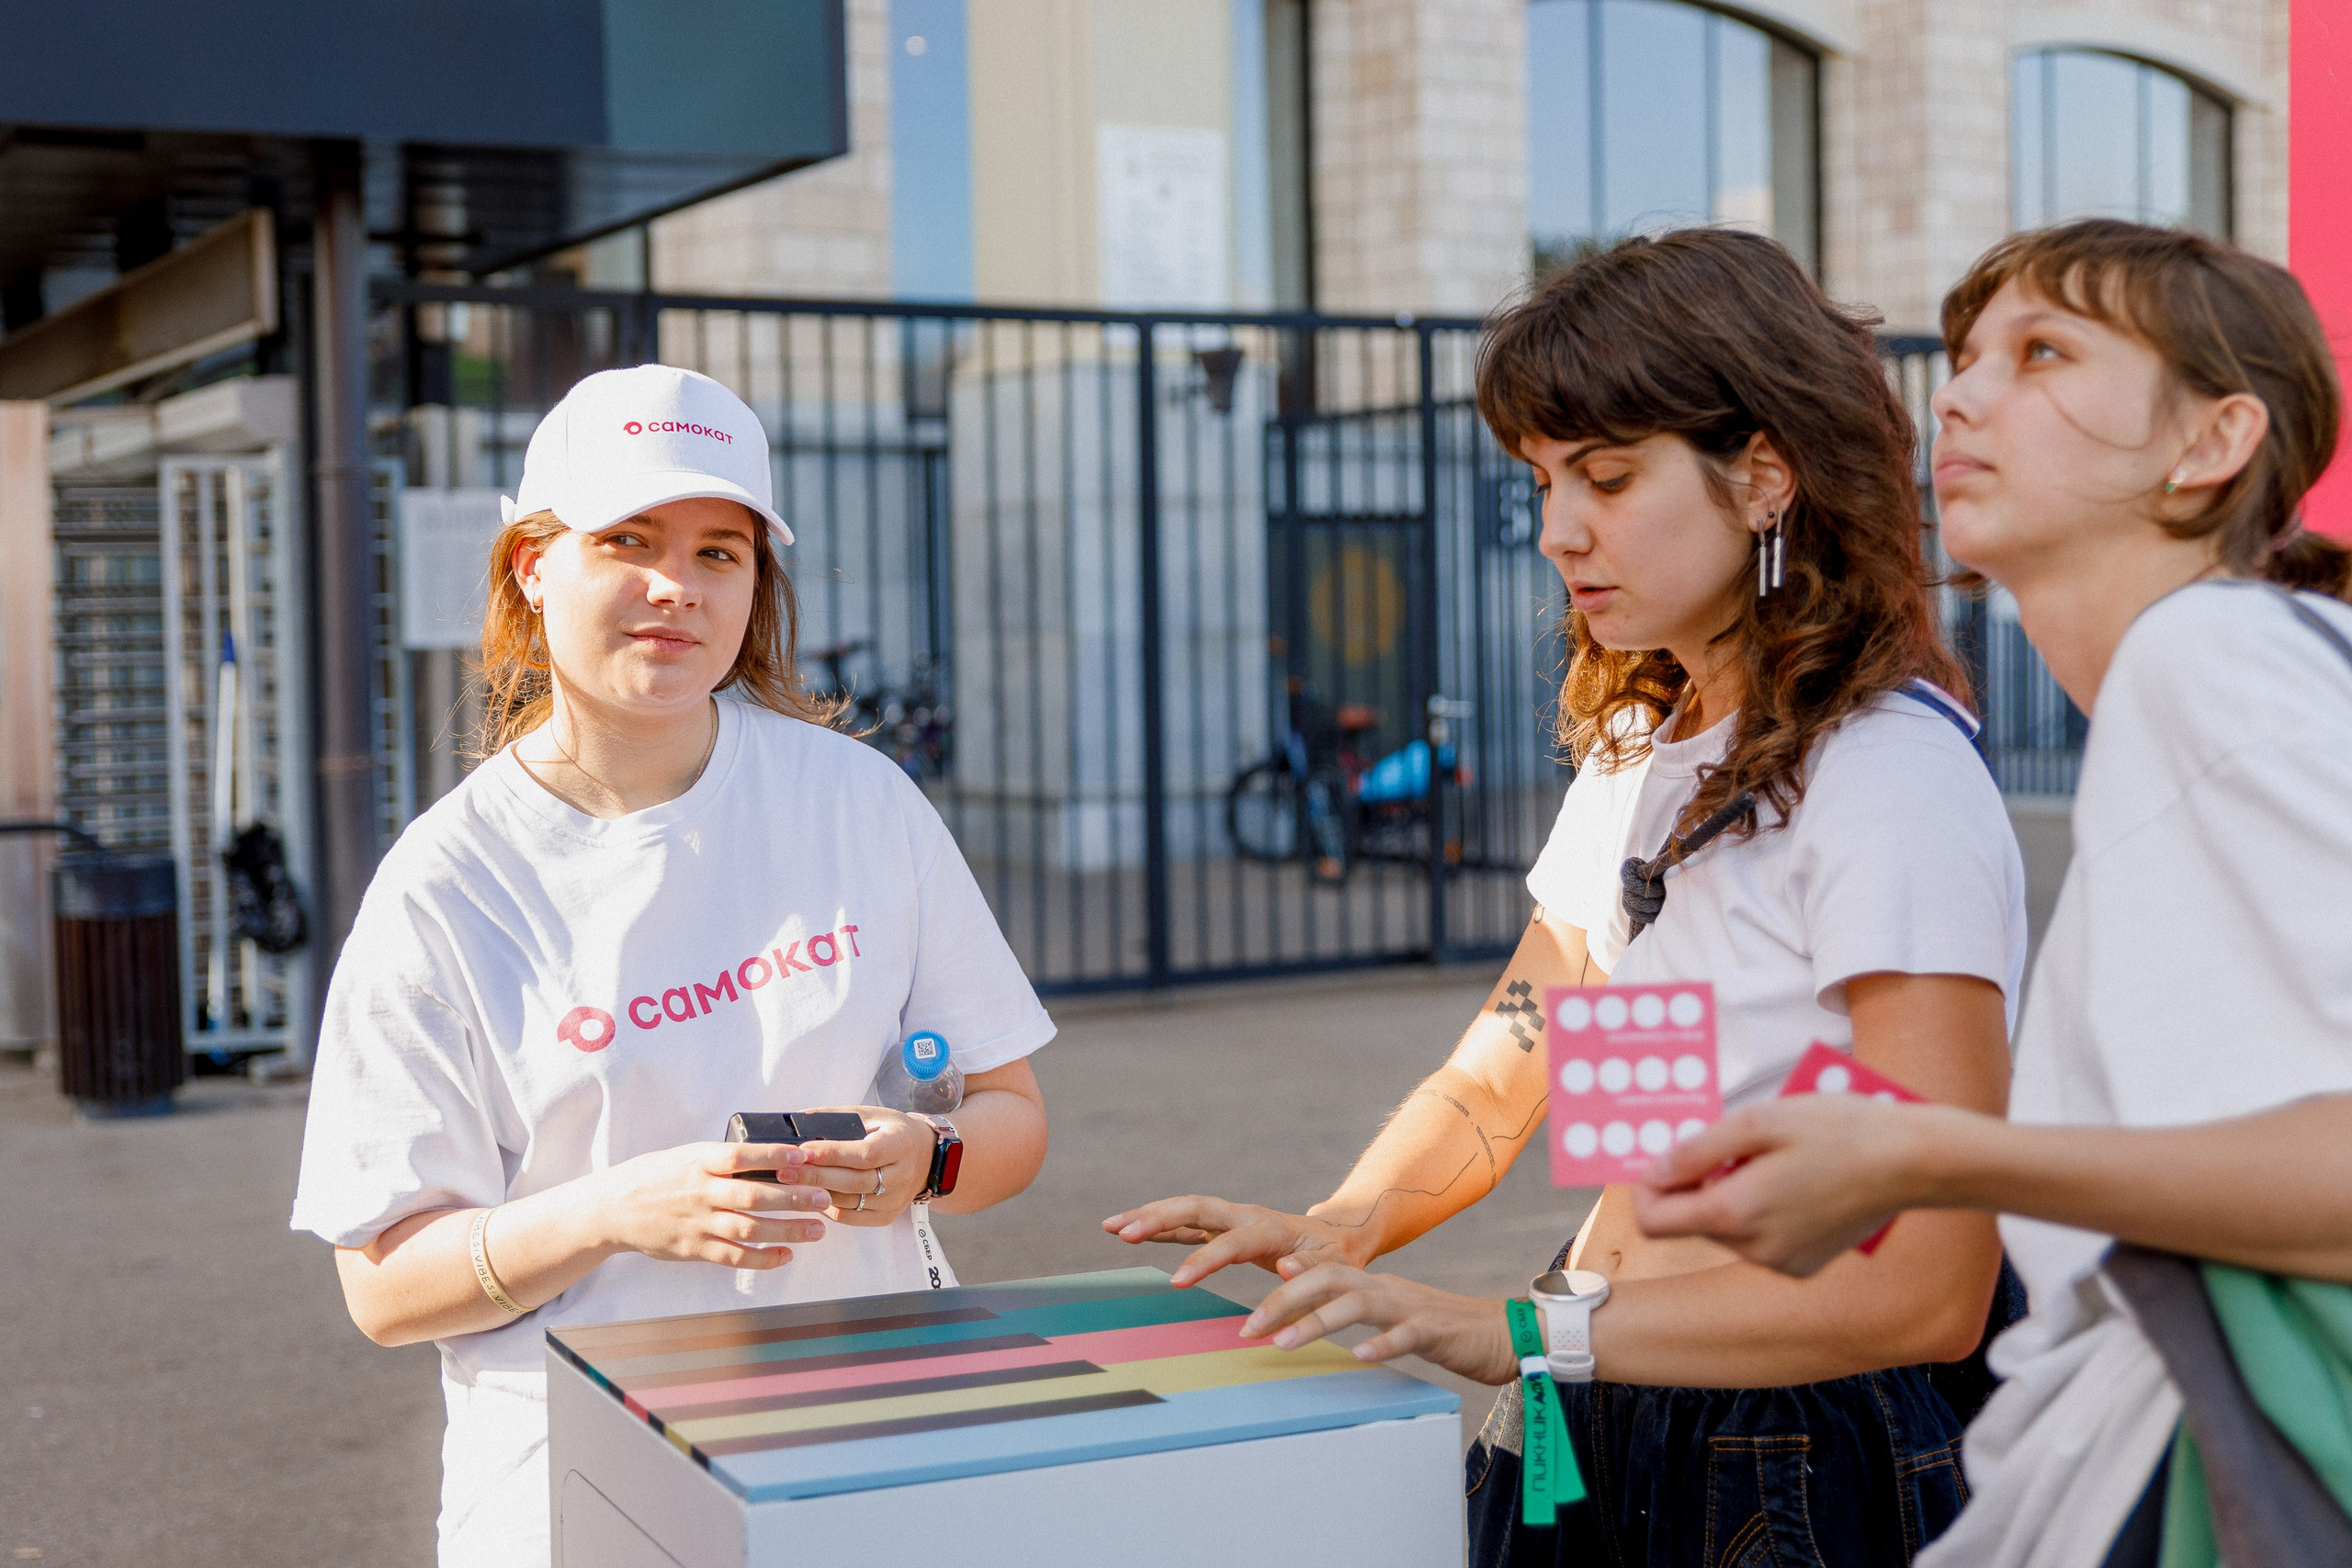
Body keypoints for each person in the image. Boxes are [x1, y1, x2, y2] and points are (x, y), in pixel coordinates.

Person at [1106, 229, 2028, 1565]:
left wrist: (1524, 1331)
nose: (1558, 532)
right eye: (1542, 480)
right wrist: (1339, 1227)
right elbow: (1510, 1068)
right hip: (1604, 1399)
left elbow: (1931, 1290)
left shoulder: (1885, 773)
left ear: (1765, 475)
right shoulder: (1644, 748)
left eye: (1607, 476)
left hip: (1788, 1456)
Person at [1634, 220, 2352, 1567]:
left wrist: (1929, 1156)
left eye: (2043, 352)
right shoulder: (2242, 662)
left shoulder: (2211, 659)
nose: (1957, 394)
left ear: (2212, 444)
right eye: (1963, 359)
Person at [289, 365, 1054, 1566]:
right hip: (585, 1492)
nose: (675, 589)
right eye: (628, 541)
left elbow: (1006, 1118)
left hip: (869, 1455)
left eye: (719, 552)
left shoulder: (859, 800)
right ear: (533, 567)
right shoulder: (448, 886)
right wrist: (610, 1213)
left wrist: (924, 1160)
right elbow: (385, 1288)